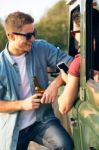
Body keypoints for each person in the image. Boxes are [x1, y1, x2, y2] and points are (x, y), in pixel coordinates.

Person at [0, 11, 74, 150]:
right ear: (11, 36)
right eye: (28, 36)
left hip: (42, 120)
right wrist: (23, 104)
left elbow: (71, 64)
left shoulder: (41, 47)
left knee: (65, 145)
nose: (33, 39)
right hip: (12, 130)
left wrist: (55, 85)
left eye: (34, 33)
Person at [58, 9, 80, 114]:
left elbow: (63, 108)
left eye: (74, 33)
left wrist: (67, 80)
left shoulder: (78, 62)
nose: (74, 37)